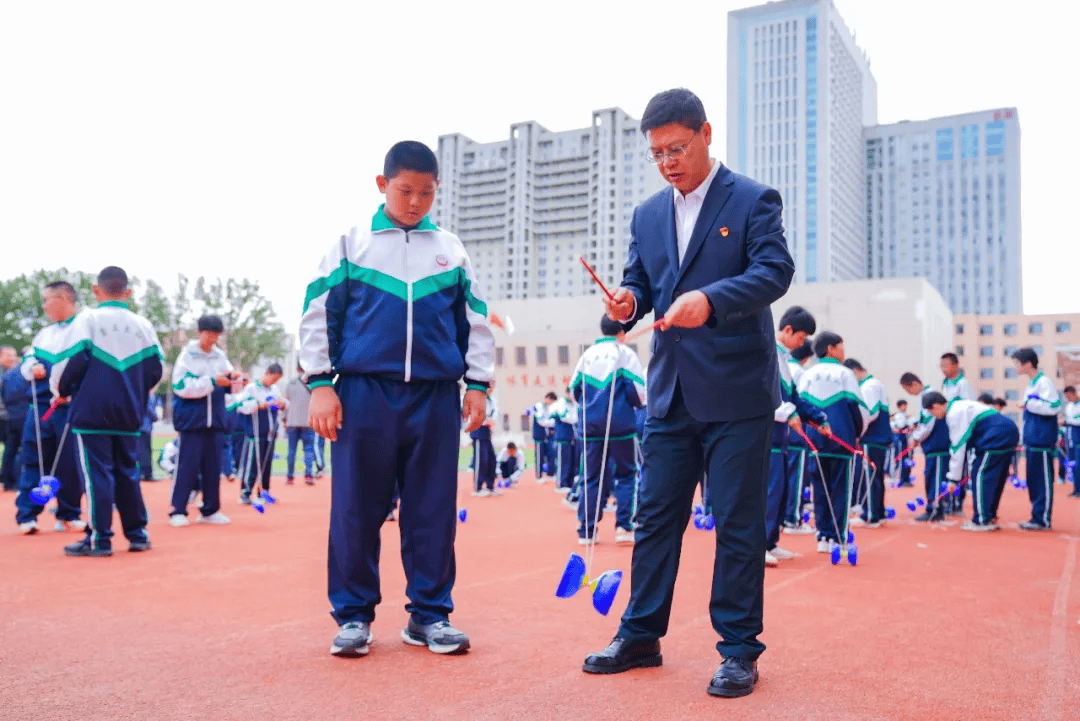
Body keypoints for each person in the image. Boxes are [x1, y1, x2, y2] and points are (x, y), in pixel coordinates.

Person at [584, 88, 794, 698]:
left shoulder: (753, 199)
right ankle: (641, 634)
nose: (668, 162)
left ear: (705, 133)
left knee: (736, 524)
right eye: (656, 154)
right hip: (669, 393)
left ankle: (737, 650)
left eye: (676, 148)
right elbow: (639, 281)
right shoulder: (648, 214)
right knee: (654, 519)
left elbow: (773, 272)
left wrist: (713, 300)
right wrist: (627, 300)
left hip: (737, 393)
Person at [300, 140, 493, 659]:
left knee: (433, 510)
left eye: (426, 193)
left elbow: (475, 321)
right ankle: (354, 617)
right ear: (382, 185)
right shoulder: (350, 245)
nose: (415, 202)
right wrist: (319, 383)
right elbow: (318, 314)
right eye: (405, 191)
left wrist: (478, 384)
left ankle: (430, 615)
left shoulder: (450, 250)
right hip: (363, 393)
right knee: (355, 509)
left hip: (434, 396)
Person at [54, 266, 163, 556]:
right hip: (129, 412)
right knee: (128, 471)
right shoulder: (143, 324)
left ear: (96, 289)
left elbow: (67, 364)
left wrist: (61, 391)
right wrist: (134, 392)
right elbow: (157, 370)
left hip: (92, 412)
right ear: (127, 292)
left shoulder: (87, 320)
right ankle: (137, 534)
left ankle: (100, 539)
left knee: (97, 474)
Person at [14, 281, 85, 534]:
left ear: (64, 298)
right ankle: (27, 515)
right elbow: (27, 361)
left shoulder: (84, 329)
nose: (44, 306)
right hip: (41, 408)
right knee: (33, 460)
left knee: (70, 464)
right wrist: (32, 366)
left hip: (70, 409)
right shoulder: (44, 335)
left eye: (47, 300)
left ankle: (69, 513)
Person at [571, 316, 646, 546]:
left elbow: (574, 391)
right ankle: (624, 526)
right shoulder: (625, 354)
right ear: (622, 331)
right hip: (620, 425)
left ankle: (587, 530)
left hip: (591, 426)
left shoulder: (586, 355)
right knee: (626, 474)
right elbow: (638, 393)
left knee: (590, 477)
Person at [797, 333, 869, 554]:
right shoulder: (845, 374)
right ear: (831, 349)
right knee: (840, 489)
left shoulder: (808, 375)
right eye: (841, 347)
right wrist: (857, 433)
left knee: (819, 489)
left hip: (814, 440)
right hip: (841, 440)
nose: (843, 351)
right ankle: (839, 538)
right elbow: (859, 410)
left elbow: (800, 406)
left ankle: (823, 537)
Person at [767, 307, 827, 565]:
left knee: (779, 491)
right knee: (769, 491)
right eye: (801, 338)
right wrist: (786, 412)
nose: (802, 344)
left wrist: (818, 418)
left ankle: (770, 541)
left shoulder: (784, 360)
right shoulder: (766, 353)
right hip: (766, 436)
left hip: (780, 439)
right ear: (787, 330)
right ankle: (758, 545)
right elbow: (763, 393)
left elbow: (792, 397)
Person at [169, 314, 237, 526]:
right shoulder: (187, 356)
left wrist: (235, 380)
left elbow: (228, 385)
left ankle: (210, 510)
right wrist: (211, 381)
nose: (213, 339)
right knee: (186, 466)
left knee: (212, 467)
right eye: (209, 334)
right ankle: (178, 510)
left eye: (217, 335)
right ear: (199, 332)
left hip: (215, 421)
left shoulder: (219, 356)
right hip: (192, 421)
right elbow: (180, 386)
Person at [922, 391, 1019, 532]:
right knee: (995, 477)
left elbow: (957, 447)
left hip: (995, 435)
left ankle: (981, 520)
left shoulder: (953, 414)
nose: (934, 416)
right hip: (1007, 431)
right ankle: (989, 516)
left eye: (932, 412)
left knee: (980, 475)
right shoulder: (959, 406)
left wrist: (953, 480)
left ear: (936, 406)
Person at [1012, 347, 1061, 530]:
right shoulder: (1032, 384)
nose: (1016, 367)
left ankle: (1043, 519)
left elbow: (1054, 406)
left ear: (1028, 364)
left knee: (1042, 481)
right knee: (1033, 480)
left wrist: (1028, 404)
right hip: (1032, 439)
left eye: (1017, 363)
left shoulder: (1044, 382)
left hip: (1042, 439)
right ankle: (1036, 516)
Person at [844, 359, 890, 527]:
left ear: (855, 371)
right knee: (874, 476)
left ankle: (871, 515)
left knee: (869, 477)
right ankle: (878, 512)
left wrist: (857, 431)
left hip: (872, 438)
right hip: (877, 438)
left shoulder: (868, 386)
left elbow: (871, 413)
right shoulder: (874, 384)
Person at [900, 373, 950, 522]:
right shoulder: (925, 395)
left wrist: (915, 438)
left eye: (909, 390)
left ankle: (935, 509)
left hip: (938, 444)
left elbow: (928, 422)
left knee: (935, 477)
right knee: (931, 476)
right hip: (932, 445)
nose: (910, 394)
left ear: (914, 384)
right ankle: (934, 507)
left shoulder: (928, 396)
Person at [236, 364, 286, 503]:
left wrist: (281, 404)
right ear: (267, 373)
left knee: (266, 464)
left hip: (271, 433)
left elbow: (283, 404)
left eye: (277, 380)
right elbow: (241, 406)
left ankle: (263, 492)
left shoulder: (275, 389)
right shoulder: (251, 389)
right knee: (252, 463)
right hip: (255, 432)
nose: (274, 382)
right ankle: (245, 492)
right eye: (273, 379)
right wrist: (259, 404)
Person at [783, 340, 816, 533]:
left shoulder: (785, 365)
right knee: (796, 477)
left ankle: (783, 518)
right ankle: (792, 519)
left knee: (783, 478)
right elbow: (803, 401)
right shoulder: (800, 372)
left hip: (782, 431)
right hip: (796, 431)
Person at [283, 365, 317, 486]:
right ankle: (308, 475)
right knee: (308, 450)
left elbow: (285, 402)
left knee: (291, 450)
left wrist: (284, 419)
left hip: (292, 421)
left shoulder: (291, 383)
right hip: (308, 422)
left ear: (297, 368)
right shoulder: (313, 383)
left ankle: (290, 477)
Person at [1, 347, 28, 492]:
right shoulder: (23, 373)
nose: (12, 358)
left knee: (11, 448)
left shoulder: (7, 376)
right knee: (21, 448)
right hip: (20, 415)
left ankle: (8, 481)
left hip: (10, 416)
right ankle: (18, 481)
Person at [470, 385, 498, 497]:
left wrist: (491, 421)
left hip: (487, 432)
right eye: (489, 386)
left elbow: (494, 414)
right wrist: (487, 421)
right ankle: (477, 487)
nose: (491, 389)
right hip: (478, 431)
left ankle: (490, 486)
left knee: (491, 459)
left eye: (492, 386)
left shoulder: (491, 400)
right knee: (481, 460)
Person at [549, 390, 579, 493]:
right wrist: (577, 418)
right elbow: (565, 417)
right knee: (563, 462)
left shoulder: (574, 403)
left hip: (572, 437)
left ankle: (569, 483)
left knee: (571, 462)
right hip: (562, 437)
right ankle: (561, 483)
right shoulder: (560, 404)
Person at [530, 393, 556, 481]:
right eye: (551, 401)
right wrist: (549, 422)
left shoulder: (550, 408)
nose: (551, 403)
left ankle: (550, 474)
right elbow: (541, 421)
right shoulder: (538, 406)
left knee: (551, 453)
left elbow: (552, 421)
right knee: (539, 456)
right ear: (548, 398)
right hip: (539, 435)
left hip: (548, 436)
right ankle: (539, 476)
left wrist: (548, 422)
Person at [891, 400, 915, 488]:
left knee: (907, 459)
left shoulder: (903, 416)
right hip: (900, 439)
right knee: (901, 458)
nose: (905, 407)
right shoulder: (898, 416)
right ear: (899, 406)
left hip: (905, 438)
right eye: (903, 405)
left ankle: (905, 478)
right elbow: (900, 425)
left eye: (906, 405)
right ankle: (902, 479)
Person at [1063, 386, 1080, 498]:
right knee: (1072, 465)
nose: (1068, 399)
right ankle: (1076, 488)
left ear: (1074, 393)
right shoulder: (1068, 407)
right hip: (1070, 440)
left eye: (1069, 396)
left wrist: (1066, 421)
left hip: (1078, 438)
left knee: (1078, 465)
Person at [138, 393, 157, 481]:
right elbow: (148, 408)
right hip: (144, 426)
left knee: (145, 450)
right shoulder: (146, 393)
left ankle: (145, 472)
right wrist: (156, 417)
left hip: (145, 426)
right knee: (145, 451)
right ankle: (146, 473)